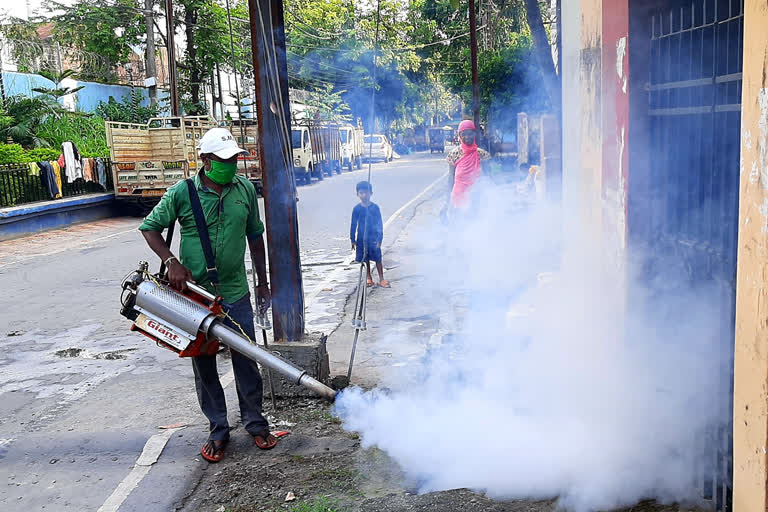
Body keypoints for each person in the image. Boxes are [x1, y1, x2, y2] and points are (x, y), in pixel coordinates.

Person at [138, 127, 276, 463]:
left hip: (235, 292)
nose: (231, 165)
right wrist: (171, 262)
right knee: (204, 364)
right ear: (205, 160)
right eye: (224, 160)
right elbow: (149, 228)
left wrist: (262, 281)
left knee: (246, 358)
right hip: (195, 296)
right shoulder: (182, 193)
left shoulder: (243, 189)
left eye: (234, 159)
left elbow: (255, 237)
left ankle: (256, 424)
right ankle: (218, 430)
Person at [445, 119, 491, 212]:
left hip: (477, 194)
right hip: (459, 196)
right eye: (464, 134)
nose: (467, 137)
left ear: (474, 134)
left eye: (470, 133)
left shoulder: (481, 154)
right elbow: (451, 177)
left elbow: (488, 175)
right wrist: (447, 201)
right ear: (459, 136)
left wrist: (492, 192)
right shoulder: (454, 154)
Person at [350, 181, 389, 288]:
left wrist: (379, 239)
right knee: (365, 258)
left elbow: (379, 224)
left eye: (366, 192)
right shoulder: (356, 209)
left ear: (371, 193)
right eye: (361, 193)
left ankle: (381, 279)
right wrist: (352, 239)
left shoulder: (375, 208)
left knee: (377, 258)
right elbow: (353, 225)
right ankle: (369, 278)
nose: (364, 195)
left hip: (373, 237)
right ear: (357, 194)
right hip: (362, 238)